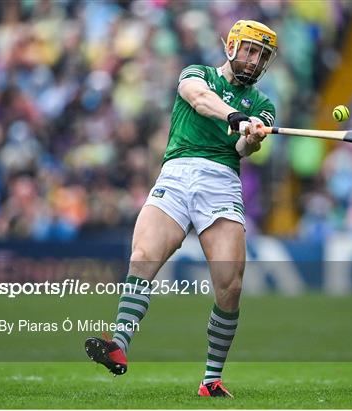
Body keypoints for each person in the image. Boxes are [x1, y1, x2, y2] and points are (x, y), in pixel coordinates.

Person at [85, 20, 278, 398]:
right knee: (142, 256)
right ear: (232, 47)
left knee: (230, 285)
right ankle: (119, 344)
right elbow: (199, 99)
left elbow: (242, 150)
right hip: (176, 174)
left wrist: (252, 138)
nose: (254, 61)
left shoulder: (263, 106)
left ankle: (211, 380)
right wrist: (234, 117)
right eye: (250, 50)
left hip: (221, 181)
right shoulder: (198, 73)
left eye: (262, 56)